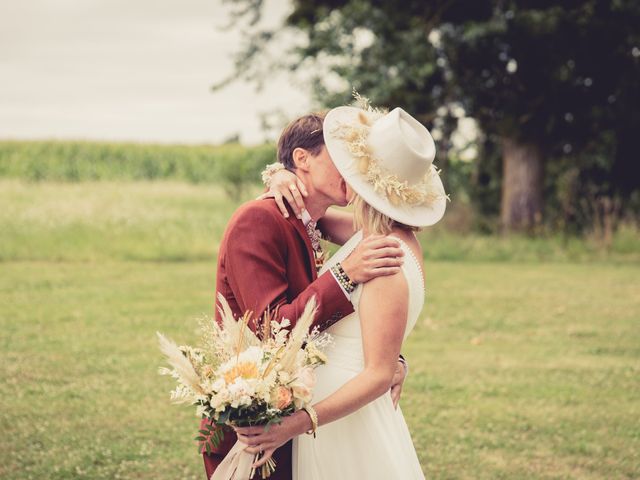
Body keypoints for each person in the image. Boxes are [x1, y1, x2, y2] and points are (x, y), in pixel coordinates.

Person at [234, 104, 447, 479]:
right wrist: (279, 177)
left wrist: (296, 424)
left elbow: (377, 371)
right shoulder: (384, 237)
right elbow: (306, 219)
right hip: (340, 416)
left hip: (338, 422)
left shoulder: (382, 251)